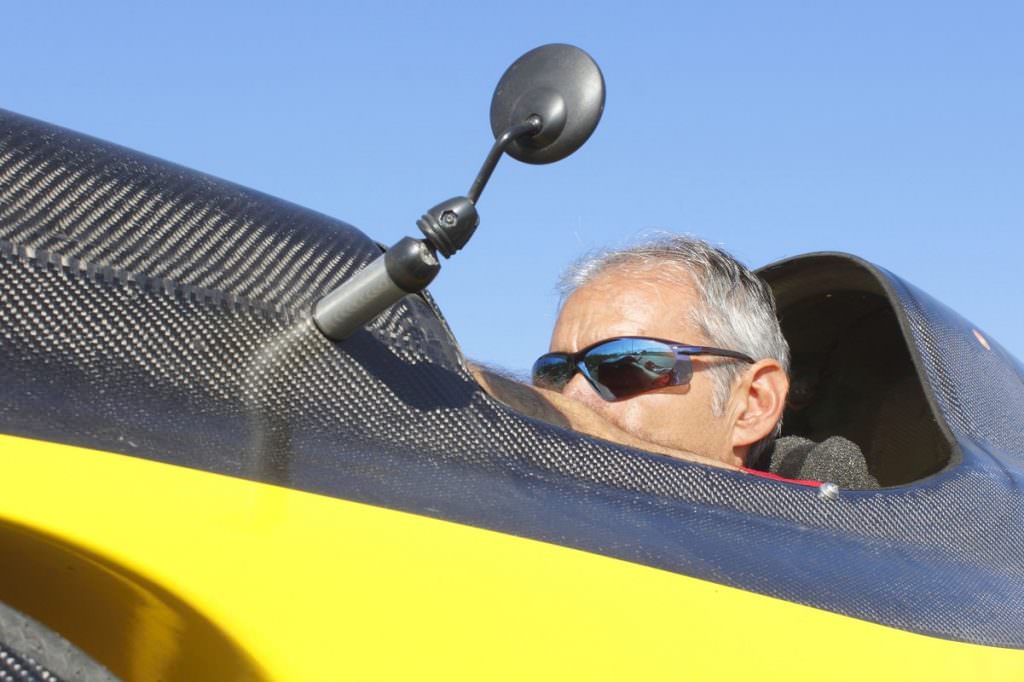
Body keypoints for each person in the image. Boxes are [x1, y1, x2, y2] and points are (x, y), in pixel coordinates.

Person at [471, 235, 790, 471]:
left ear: (753, 405)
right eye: (555, 373)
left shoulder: (822, 536)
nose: (570, 394)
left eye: (623, 366)